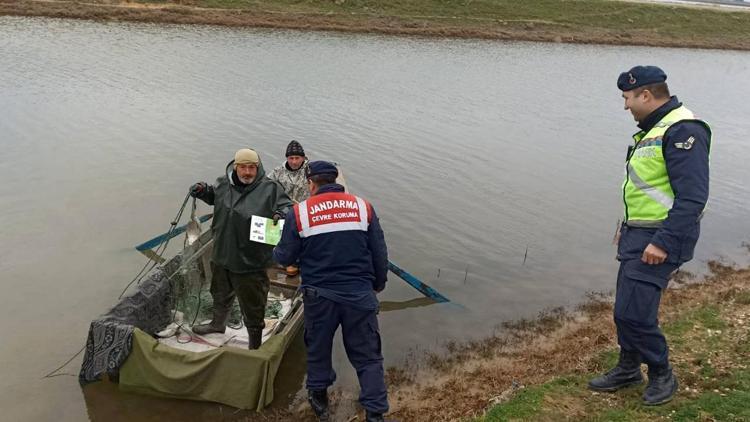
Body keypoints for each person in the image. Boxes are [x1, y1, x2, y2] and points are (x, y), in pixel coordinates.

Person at [588, 66, 711, 406]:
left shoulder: (683, 130)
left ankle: (661, 373)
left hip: (659, 239)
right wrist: (625, 227)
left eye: (627, 98)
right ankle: (628, 367)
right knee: (624, 310)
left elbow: (692, 199)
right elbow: (647, 189)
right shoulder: (652, 131)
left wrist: (663, 242)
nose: (625, 105)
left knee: (636, 314)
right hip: (637, 235)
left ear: (645, 94)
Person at [272, 161, 390, 422]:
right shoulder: (363, 208)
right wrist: (378, 283)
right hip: (359, 294)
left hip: (320, 296)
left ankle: (319, 400)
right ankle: (375, 411)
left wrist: (276, 251)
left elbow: (285, 256)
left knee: (318, 347)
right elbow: (379, 253)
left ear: (311, 184)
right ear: (336, 181)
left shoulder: (299, 213)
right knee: (368, 354)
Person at [189, 148, 293, 349]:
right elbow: (214, 196)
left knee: (253, 305)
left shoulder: (270, 188)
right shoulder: (223, 183)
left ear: (258, 167)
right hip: (222, 255)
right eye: (243, 167)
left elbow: (288, 206)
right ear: (235, 167)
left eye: (252, 167)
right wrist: (203, 191)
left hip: (250, 261)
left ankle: (254, 344)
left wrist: (282, 213)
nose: (247, 172)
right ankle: (217, 324)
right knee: (219, 293)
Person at [269, 140, 310, 276]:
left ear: (303, 158)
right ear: (287, 158)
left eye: (297, 158)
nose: (294, 161)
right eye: (291, 158)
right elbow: (266, 186)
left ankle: (296, 261)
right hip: (283, 209)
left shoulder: (310, 171)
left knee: (300, 234)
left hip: (305, 210)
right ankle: (277, 253)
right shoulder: (278, 172)